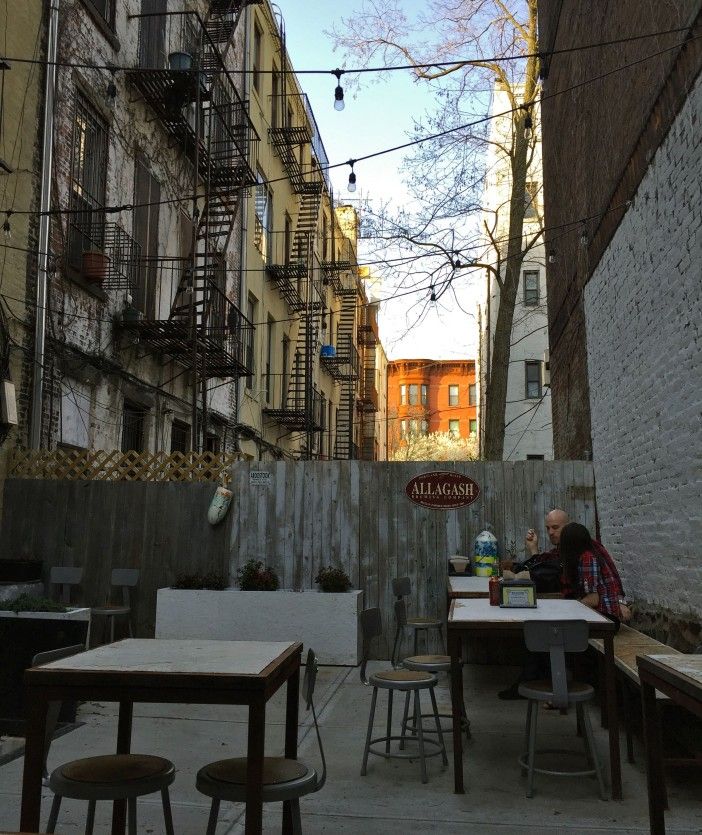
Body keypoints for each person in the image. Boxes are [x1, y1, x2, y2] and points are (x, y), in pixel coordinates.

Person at [497, 509, 631, 700]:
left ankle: (549, 690)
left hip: (601, 617)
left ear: (567, 528)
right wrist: (534, 550)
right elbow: (546, 563)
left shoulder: (587, 552)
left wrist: (620, 601)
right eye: (548, 528)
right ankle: (544, 685)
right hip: (591, 614)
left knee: (548, 632)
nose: (551, 532)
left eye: (555, 528)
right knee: (545, 630)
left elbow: (600, 589)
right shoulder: (565, 550)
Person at [559, 522, 630, 622]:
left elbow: (593, 599)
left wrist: (570, 609)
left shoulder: (587, 558)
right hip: (600, 615)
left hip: (606, 617)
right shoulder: (587, 556)